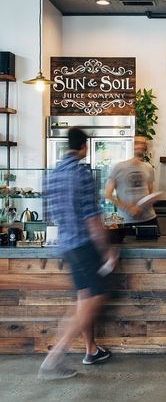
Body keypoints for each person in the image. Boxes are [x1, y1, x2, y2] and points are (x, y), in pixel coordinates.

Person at [38, 127, 118, 381]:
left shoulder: (53, 173)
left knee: (85, 299)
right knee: (94, 299)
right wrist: (107, 251)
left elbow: (49, 213)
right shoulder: (81, 173)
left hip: (67, 245)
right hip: (84, 246)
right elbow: (92, 217)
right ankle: (55, 357)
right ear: (84, 146)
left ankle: (90, 351)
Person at [104, 135, 160, 235]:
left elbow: (151, 191)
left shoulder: (148, 168)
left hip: (149, 219)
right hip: (127, 221)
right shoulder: (118, 167)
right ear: (130, 146)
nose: (140, 146)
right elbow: (108, 194)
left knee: (154, 250)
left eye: (143, 144)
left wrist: (152, 199)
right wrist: (128, 208)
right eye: (136, 143)